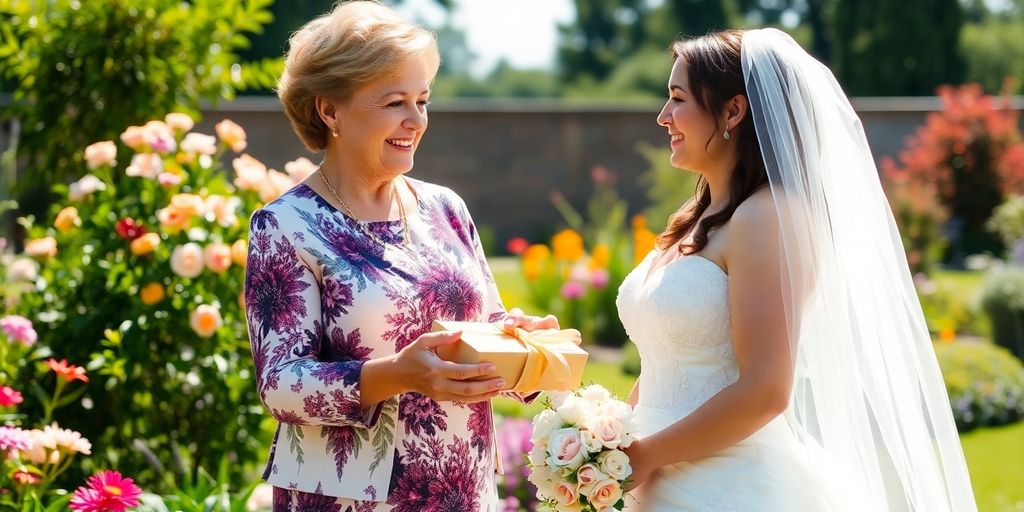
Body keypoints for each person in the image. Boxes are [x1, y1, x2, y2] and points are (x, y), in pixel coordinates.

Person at [617, 28, 977, 511]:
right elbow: (669, 360)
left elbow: (765, 390)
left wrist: (642, 457)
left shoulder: (768, 217)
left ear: (733, 111)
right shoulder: (696, 217)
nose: (663, 117)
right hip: (658, 478)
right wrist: (606, 436)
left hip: (728, 486)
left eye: (677, 99)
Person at [243, 2, 565, 510]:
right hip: (350, 498)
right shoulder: (284, 226)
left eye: (422, 100)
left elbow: (481, 326)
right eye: (395, 102)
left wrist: (518, 341)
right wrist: (397, 373)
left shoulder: (446, 208)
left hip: (462, 485)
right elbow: (280, 385)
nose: (416, 120)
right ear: (330, 110)